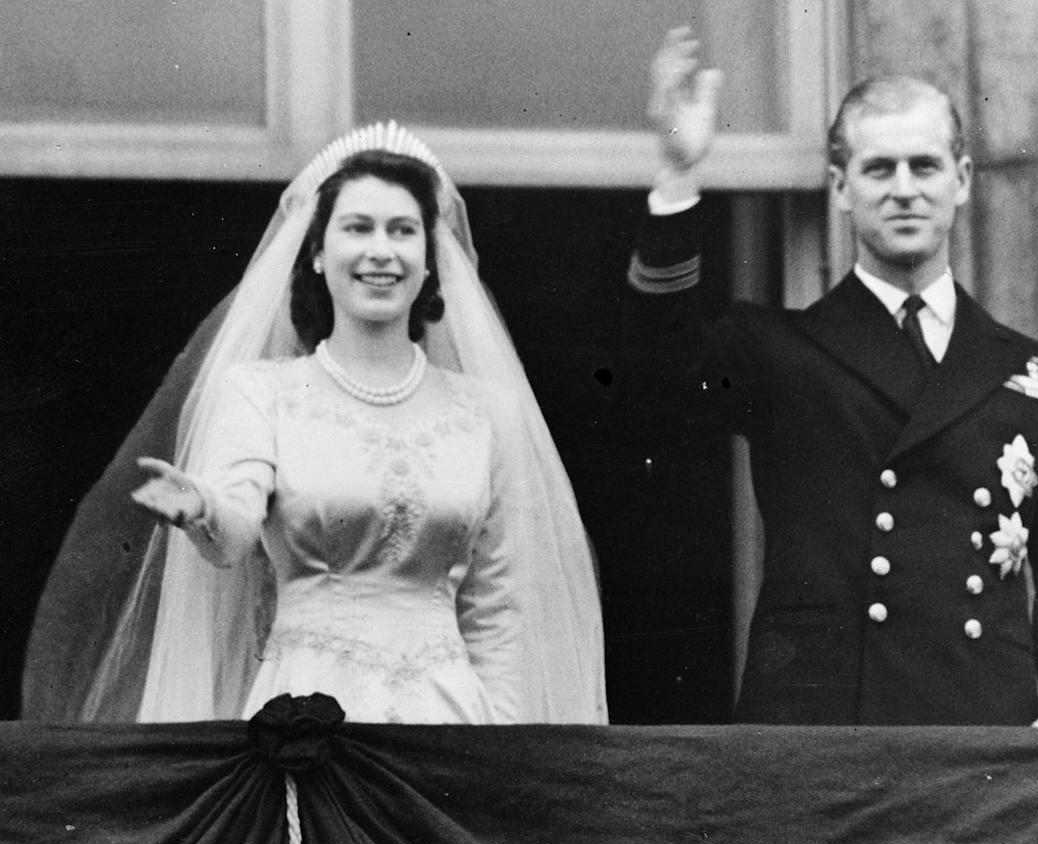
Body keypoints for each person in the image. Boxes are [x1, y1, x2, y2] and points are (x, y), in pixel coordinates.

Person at [24, 123, 607, 725]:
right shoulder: (262, 392)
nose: (381, 250)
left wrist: (501, 757)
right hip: (308, 719)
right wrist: (201, 508)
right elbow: (235, 529)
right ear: (319, 253)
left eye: (402, 231)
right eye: (358, 228)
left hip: (451, 724)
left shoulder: (489, 412)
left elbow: (499, 605)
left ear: (429, 262)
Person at [625, 28, 1038, 726]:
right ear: (840, 187)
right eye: (880, 170)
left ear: (963, 180)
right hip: (822, 733)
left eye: (925, 166)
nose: (905, 191)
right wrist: (677, 175)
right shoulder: (781, 350)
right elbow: (656, 378)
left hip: (985, 736)